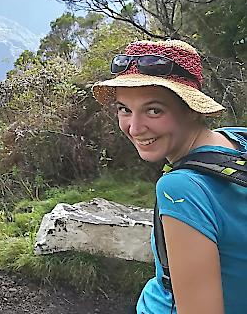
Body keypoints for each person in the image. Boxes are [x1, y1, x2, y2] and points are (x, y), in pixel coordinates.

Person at [92, 39, 247, 314]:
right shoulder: (238, 139)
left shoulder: (181, 188)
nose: (135, 128)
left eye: (154, 110)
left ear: (191, 109)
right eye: (124, 109)